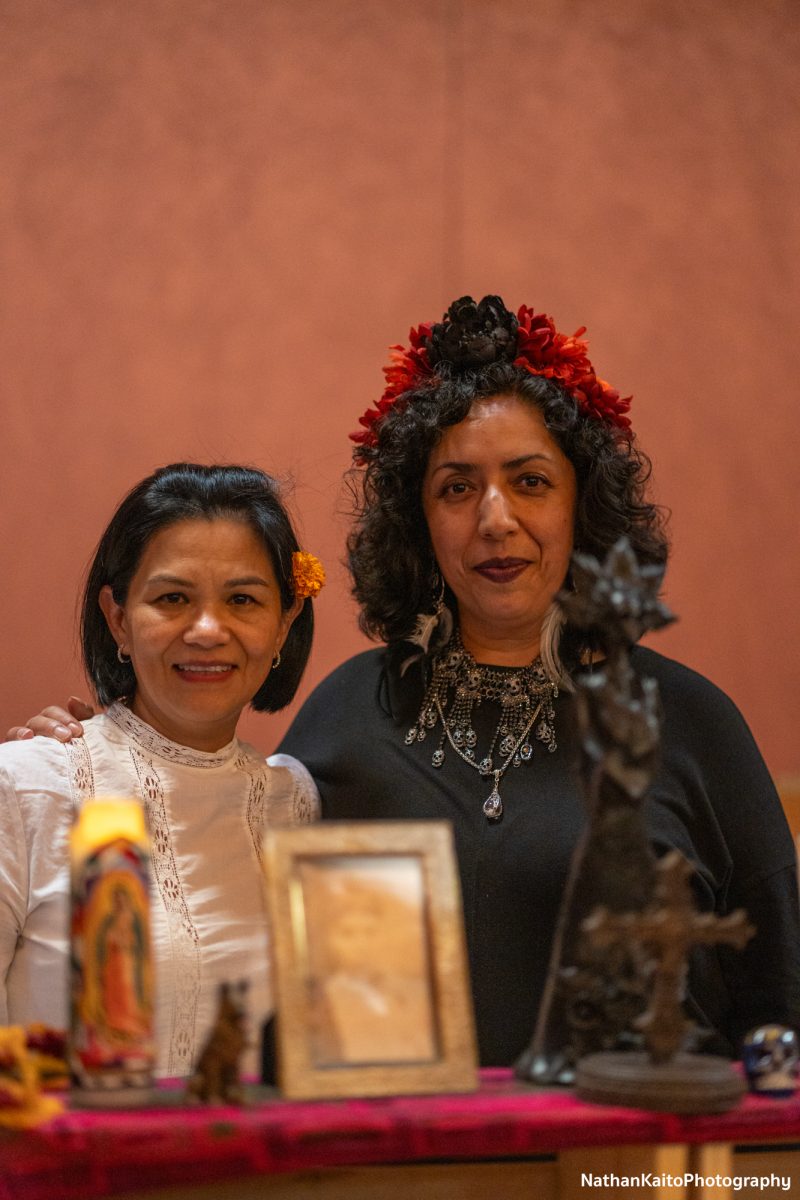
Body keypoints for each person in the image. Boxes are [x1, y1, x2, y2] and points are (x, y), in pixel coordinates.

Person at [12, 297, 800, 1068]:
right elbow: (207, 809)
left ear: (583, 504)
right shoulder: (355, 712)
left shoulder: (689, 722)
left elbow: (780, 997)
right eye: (457, 487)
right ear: (418, 518)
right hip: (408, 1168)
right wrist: (92, 753)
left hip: (634, 1172)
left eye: (530, 482)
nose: (494, 519)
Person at [0, 463, 323, 1078]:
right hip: (63, 1169)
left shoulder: (297, 803)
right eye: (172, 598)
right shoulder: (26, 788)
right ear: (118, 618)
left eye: (243, 600)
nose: (207, 630)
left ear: (283, 623)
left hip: (258, 1171)